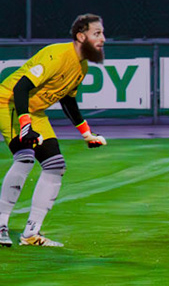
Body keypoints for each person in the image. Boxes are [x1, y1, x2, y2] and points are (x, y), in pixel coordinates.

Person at [1, 13, 109, 248]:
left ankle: (31, 234)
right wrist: (26, 126)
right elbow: (20, 88)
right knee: (25, 158)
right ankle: (0, 225)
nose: (103, 39)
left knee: (55, 166)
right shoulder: (56, 55)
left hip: (35, 111)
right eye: (97, 33)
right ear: (81, 36)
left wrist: (86, 133)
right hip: (8, 103)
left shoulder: (81, 67)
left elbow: (68, 100)